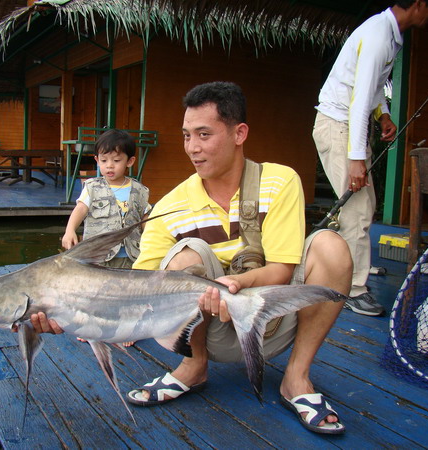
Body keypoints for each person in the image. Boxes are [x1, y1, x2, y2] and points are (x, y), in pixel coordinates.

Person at [35, 82, 353, 434]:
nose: (193, 148)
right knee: (187, 255)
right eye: (187, 136)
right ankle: (194, 365)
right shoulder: (170, 206)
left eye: (204, 134)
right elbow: (135, 286)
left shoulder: (280, 181)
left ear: (239, 133)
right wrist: (70, 312)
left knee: (331, 246)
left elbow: (283, 268)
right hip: (207, 328)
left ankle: (296, 377)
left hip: (275, 321)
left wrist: (237, 284)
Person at [313, 0, 428, 316]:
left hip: (347, 128)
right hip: (339, 126)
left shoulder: (390, 34)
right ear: (419, 4)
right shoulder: (377, 36)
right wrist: (357, 158)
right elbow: (358, 103)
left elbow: (371, 91)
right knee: (357, 211)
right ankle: (351, 289)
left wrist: (383, 114)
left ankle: (351, 271)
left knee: (363, 207)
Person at [61, 128, 152, 346]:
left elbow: (147, 217)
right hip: (98, 254)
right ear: (97, 160)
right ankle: (91, 326)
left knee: (128, 293)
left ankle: (128, 329)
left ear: (130, 161)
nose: (109, 166)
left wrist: (152, 241)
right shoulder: (92, 188)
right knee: (95, 292)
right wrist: (70, 230)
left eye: (116, 160)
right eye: (104, 160)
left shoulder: (139, 190)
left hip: (130, 253)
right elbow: (80, 210)